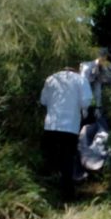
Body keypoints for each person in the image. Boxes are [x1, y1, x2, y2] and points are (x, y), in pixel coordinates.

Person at [40, 66, 93, 200]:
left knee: (51, 158)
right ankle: (67, 194)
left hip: (51, 125)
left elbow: (43, 101)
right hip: (70, 127)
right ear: (74, 70)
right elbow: (86, 102)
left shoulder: (51, 78)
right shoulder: (81, 80)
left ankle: (46, 193)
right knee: (67, 160)